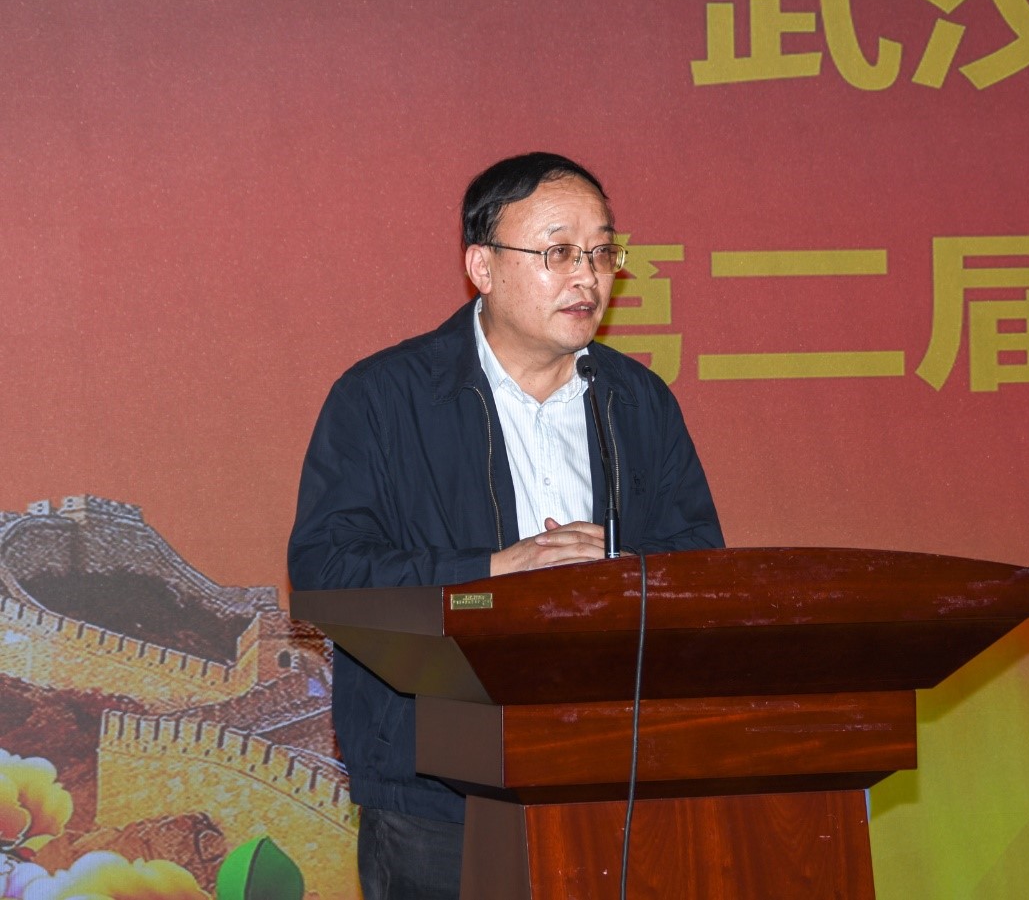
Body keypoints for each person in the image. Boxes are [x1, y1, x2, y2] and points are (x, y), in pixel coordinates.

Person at [288, 152, 724, 899]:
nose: (587, 277)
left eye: (601, 253)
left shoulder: (636, 401)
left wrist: (621, 568)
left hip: (609, 776)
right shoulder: (384, 398)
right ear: (482, 266)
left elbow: (702, 564)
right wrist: (494, 572)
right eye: (558, 252)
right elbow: (326, 571)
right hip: (436, 794)